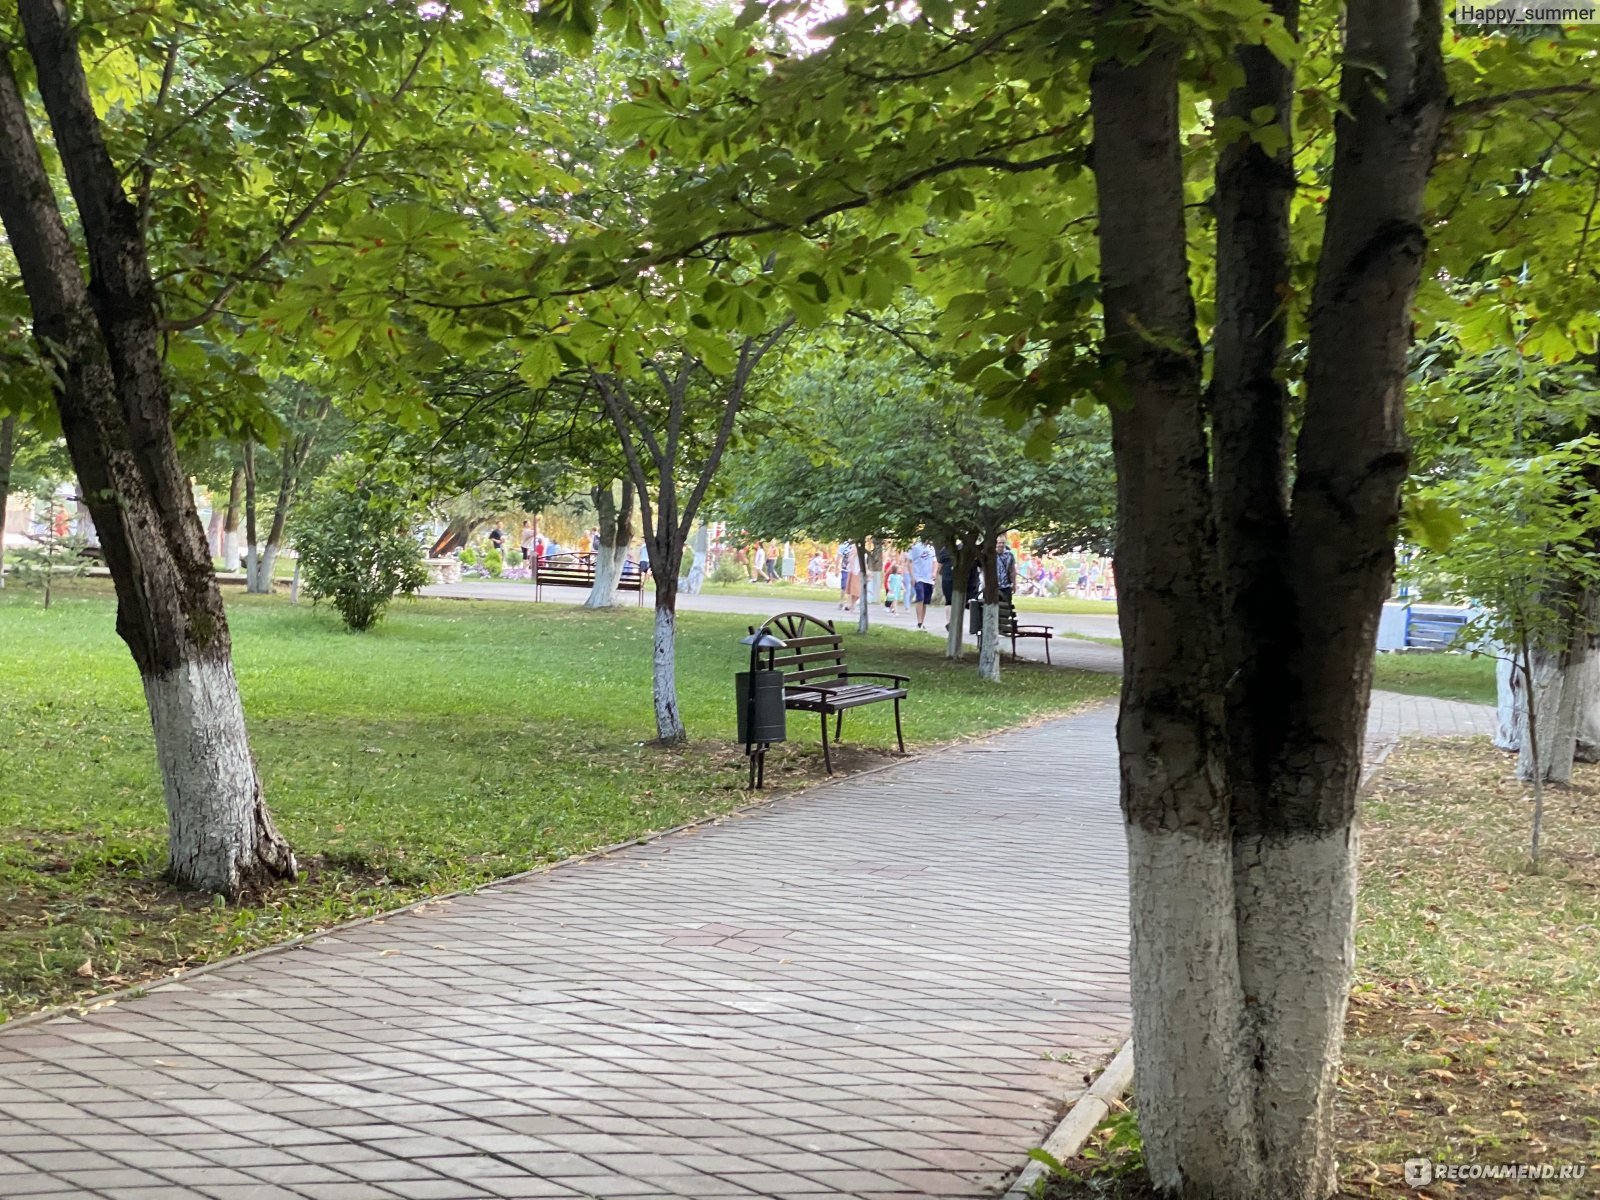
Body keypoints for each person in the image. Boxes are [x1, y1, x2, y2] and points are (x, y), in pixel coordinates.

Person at [908, 537, 936, 630]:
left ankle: (922, 622)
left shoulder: (931, 548)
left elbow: (934, 561)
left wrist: (934, 573)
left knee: (925, 601)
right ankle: (919, 622)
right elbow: (910, 562)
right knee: (920, 598)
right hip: (918, 577)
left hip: (928, 579)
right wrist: (912, 576)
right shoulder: (915, 547)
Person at [995, 535, 1017, 604]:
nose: (1001, 545)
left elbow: (1012, 570)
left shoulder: (1009, 555)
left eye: (1003, 543)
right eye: (999, 543)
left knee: (1006, 606)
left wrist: (1014, 583)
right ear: (996, 543)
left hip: (1006, 585)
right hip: (993, 586)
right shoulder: (991, 554)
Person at [837, 540, 855, 611]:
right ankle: (842, 601)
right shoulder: (843, 545)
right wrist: (836, 569)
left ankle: (849, 603)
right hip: (845, 568)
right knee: (844, 585)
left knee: (852, 586)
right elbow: (838, 557)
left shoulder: (857, 545)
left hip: (854, 569)